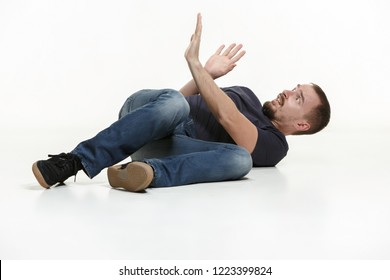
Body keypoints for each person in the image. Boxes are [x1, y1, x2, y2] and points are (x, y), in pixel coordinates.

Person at [32, 14, 331, 192]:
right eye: (293, 88)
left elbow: (229, 120)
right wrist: (204, 73)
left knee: (241, 160)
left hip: (164, 148)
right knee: (177, 102)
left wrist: (198, 67)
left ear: (302, 124)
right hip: (146, 115)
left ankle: (144, 174)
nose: (287, 92)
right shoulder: (248, 93)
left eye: (297, 97)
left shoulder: (275, 144)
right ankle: (74, 161)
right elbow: (174, 103)